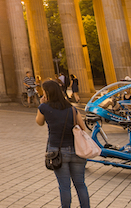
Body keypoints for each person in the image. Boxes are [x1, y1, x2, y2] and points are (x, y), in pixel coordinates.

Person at [36, 79, 90, 208]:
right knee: (80, 184)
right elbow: (83, 128)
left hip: (57, 151)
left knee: (64, 186)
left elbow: (39, 122)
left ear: (47, 93)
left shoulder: (44, 107)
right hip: (77, 150)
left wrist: (41, 104)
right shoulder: (71, 108)